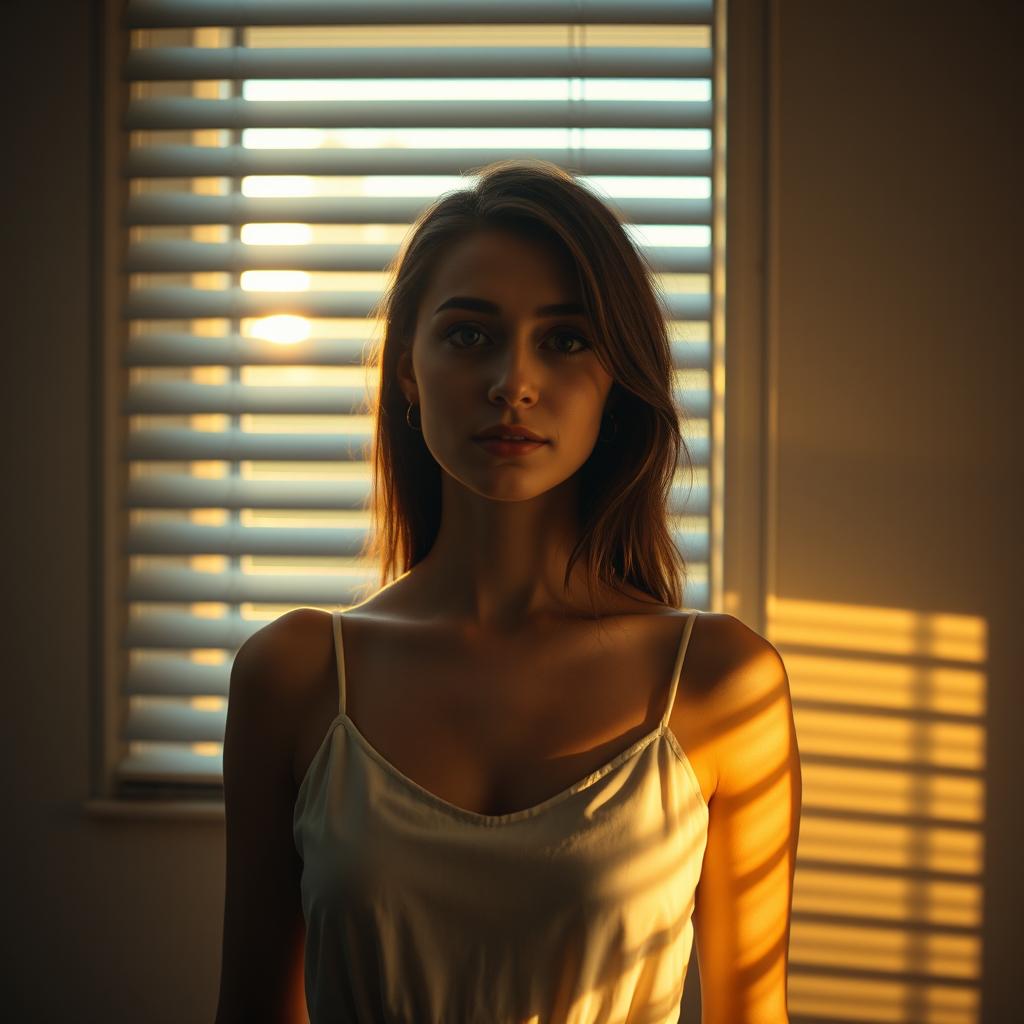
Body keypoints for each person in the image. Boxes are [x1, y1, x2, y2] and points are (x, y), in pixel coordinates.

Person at [214, 159, 801, 1024]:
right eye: (469, 335)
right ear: (408, 371)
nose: (513, 383)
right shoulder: (294, 675)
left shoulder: (719, 682)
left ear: (616, 378)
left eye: (565, 340)